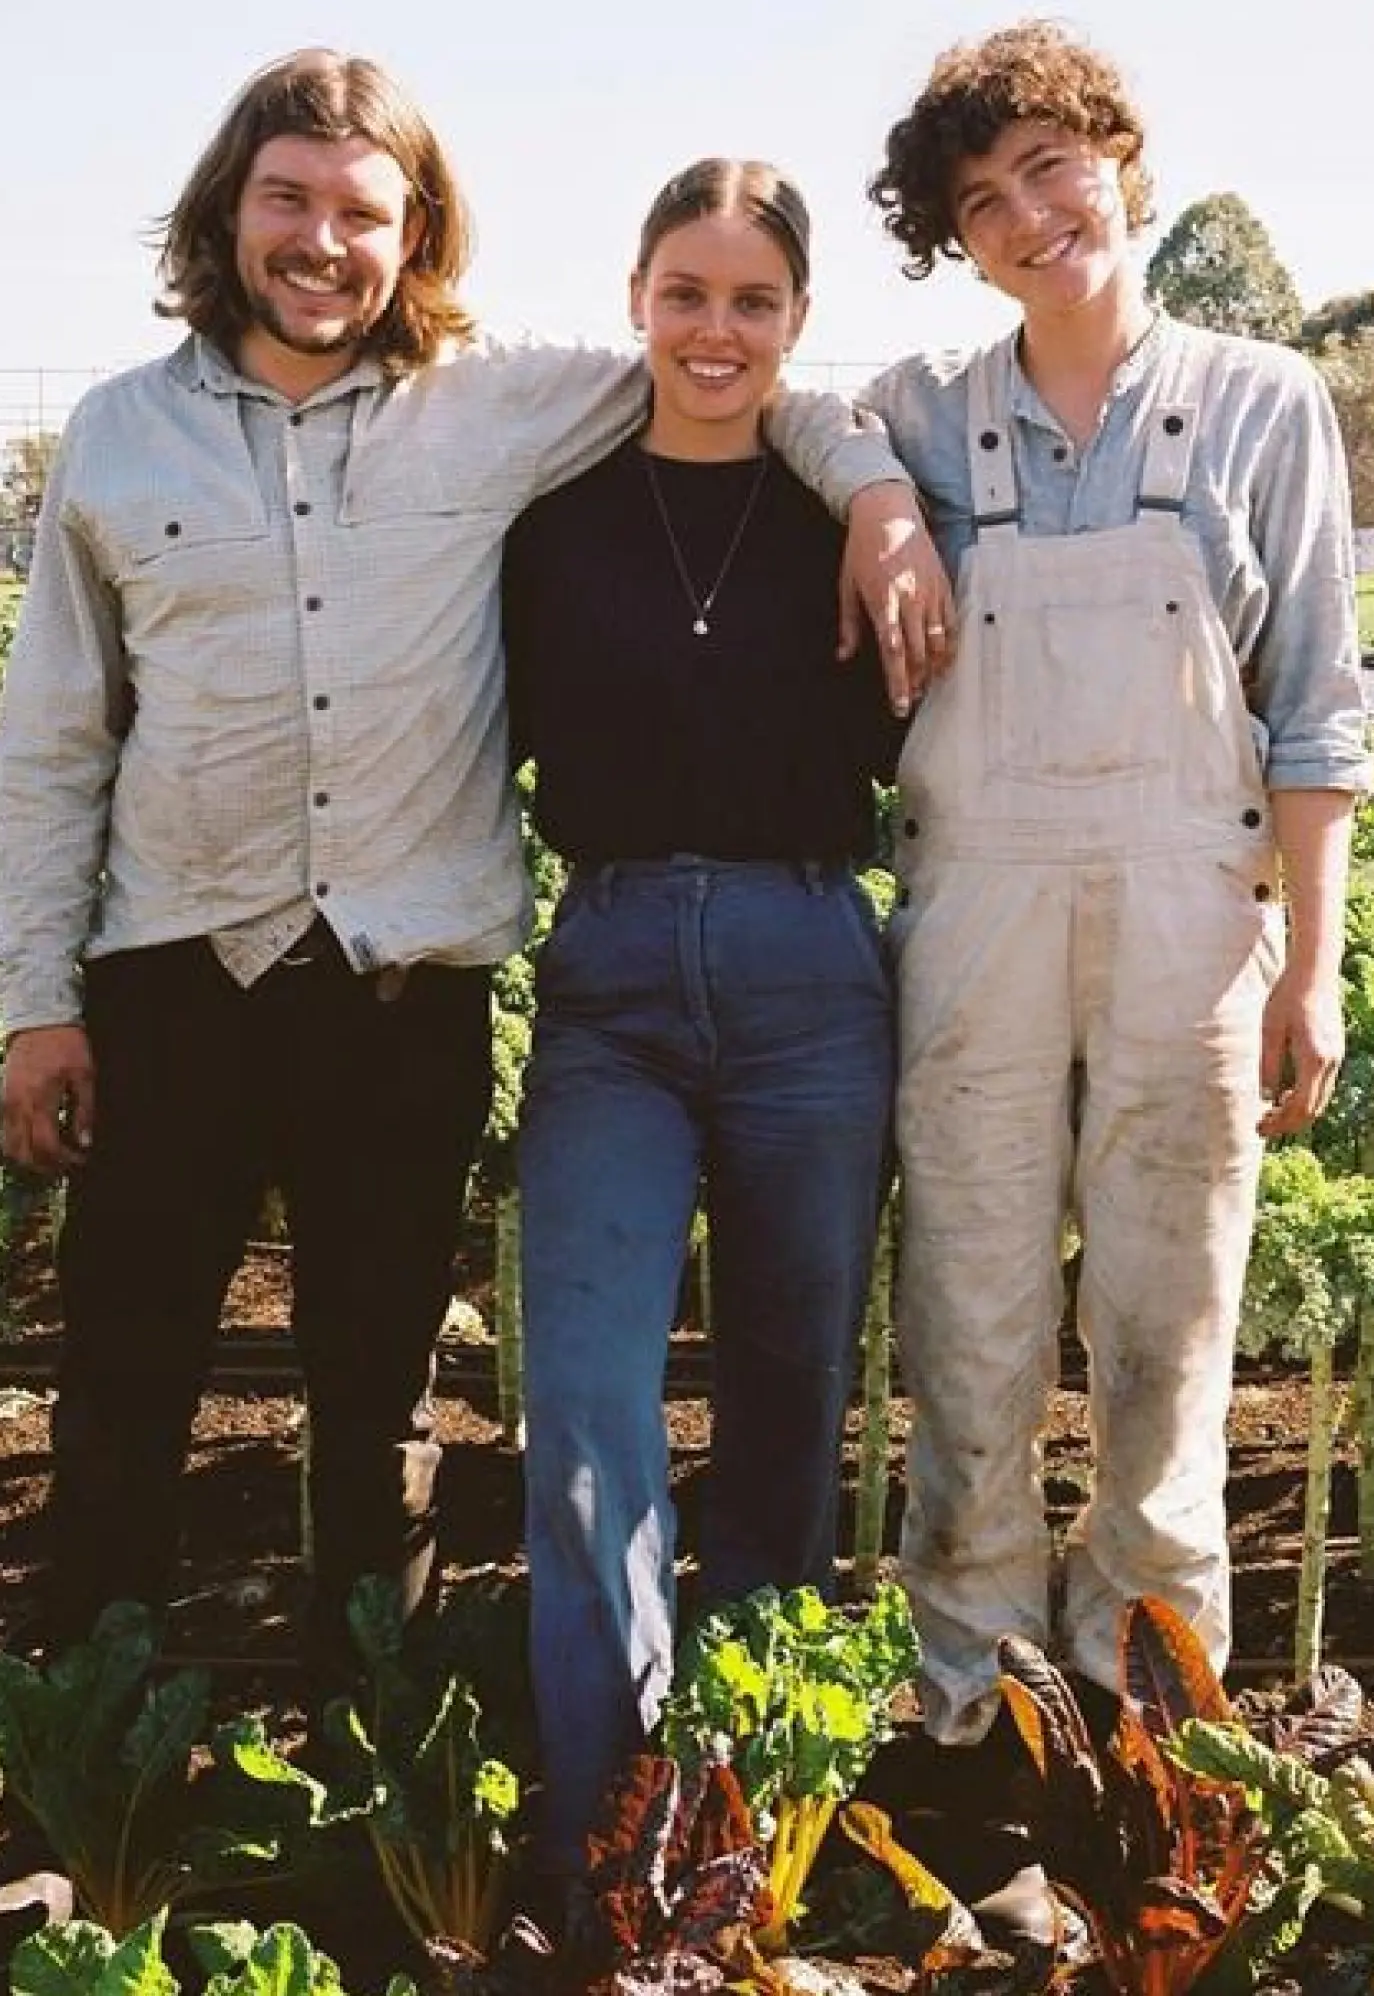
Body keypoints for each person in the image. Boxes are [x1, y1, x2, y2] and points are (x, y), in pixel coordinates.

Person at [0, 47, 948, 1686]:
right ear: (230, 210)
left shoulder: (491, 400)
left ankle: (378, 1753)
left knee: (374, 1399)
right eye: (287, 200)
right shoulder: (118, 440)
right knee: (126, 1381)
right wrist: (35, 1001)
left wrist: (874, 497)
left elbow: (733, 366)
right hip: (173, 978)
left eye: (362, 212)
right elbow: (55, 738)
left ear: (413, 231)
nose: (321, 241)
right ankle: (91, 1760)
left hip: (398, 989)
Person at [859, 21, 1373, 1744]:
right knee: (970, 1311)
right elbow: (781, 424)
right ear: (954, 238)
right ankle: (971, 1711)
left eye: (1048, 169)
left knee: (1166, 1323)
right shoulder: (917, 416)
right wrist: (876, 508)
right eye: (978, 199)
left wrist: (1315, 963)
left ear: (1115, 166)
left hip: (1188, 916)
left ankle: (1152, 1717)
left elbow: (1312, 702)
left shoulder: (1258, 399)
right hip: (976, 914)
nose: (1024, 216)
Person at [500, 156, 903, 1888]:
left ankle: (743, 1793)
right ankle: (604, 1804)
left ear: (797, 323)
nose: (715, 331)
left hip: (816, 960)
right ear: (636, 301)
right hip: (606, 984)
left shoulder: (856, 513)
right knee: (587, 1399)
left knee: (785, 1393)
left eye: (752, 301)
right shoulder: (553, 513)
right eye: (685, 294)